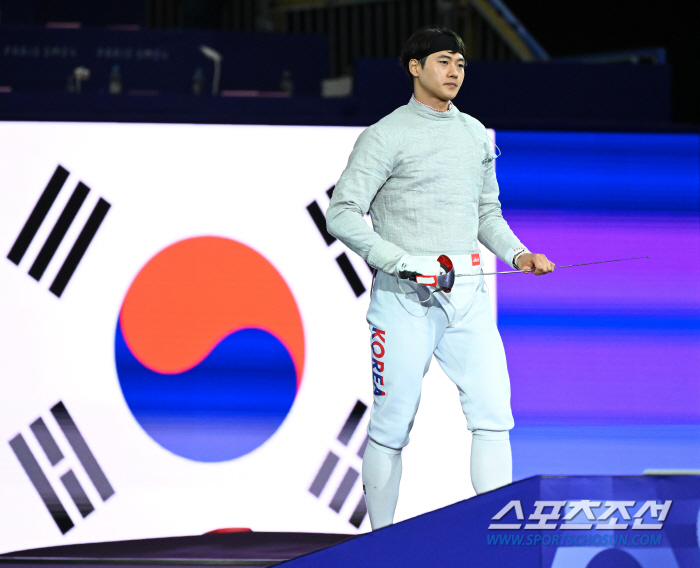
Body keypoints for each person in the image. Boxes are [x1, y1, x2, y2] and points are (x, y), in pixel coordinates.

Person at [326, 25, 555, 530]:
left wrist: (518, 255)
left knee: (494, 413)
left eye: (461, 64)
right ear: (415, 67)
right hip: (405, 298)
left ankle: (497, 540)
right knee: (392, 423)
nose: (454, 72)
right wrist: (402, 262)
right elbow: (341, 214)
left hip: (468, 295)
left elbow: (486, 213)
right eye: (443, 62)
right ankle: (380, 544)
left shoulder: (474, 132)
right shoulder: (385, 135)